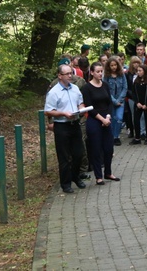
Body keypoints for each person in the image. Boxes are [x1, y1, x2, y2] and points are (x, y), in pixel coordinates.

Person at [44, 64, 87, 194]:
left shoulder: (75, 88)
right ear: (60, 76)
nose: (70, 76)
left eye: (71, 73)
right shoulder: (53, 92)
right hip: (62, 126)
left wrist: (81, 109)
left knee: (78, 153)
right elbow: (48, 111)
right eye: (67, 74)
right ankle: (65, 183)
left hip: (75, 124)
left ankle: (76, 176)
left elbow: (80, 102)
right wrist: (63, 114)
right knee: (64, 157)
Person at [82, 62, 121, 185]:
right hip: (94, 120)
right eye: (97, 71)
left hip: (107, 119)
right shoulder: (86, 88)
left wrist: (108, 117)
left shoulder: (105, 85)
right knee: (96, 148)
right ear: (92, 72)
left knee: (109, 148)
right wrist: (101, 119)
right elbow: (89, 107)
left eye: (101, 71)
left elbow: (109, 102)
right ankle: (99, 176)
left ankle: (108, 172)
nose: (100, 74)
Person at [103, 56, 127, 146]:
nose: (114, 67)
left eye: (115, 65)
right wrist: (114, 101)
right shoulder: (106, 76)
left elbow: (125, 87)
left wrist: (120, 99)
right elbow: (106, 89)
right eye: (112, 65)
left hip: (120, 100)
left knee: (119, 118)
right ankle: (112, 136)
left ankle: (117, 136)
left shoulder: (121, 74)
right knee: (112, 118)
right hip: (111, 101)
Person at [131, 64, 147, 145]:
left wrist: (146, 104)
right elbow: (133, 93)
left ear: (144, 71)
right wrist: (137, 102)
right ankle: (137, 137)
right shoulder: (136, 81)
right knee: (136, 120)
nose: (138, 72)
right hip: (138, 104)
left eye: (140, 71)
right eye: (137, 71)